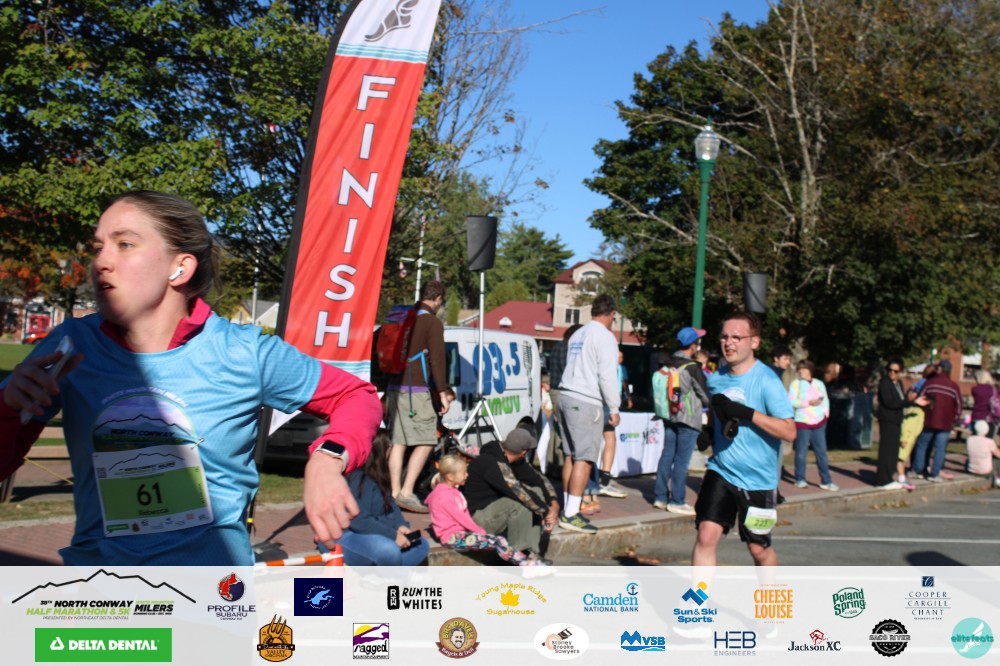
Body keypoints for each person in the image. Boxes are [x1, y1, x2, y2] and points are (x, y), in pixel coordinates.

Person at [0, 190, 382, 566]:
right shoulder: (72, 346)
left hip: (210, 591)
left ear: (180, 268)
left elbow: (356, 396)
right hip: (102, 588)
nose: (101, 262)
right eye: (98, 247)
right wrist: (7, 408)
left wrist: (328, 459)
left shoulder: (243, 352)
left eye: (125, 244)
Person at [692, 311, 796, 567]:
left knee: (758, 549)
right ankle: (698, 595)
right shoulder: (717, 379)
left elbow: (789, 431)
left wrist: (749, 414)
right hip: (722, 470)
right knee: (706, 535)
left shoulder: (768, 381)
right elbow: (717, 412)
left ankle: (770, 595)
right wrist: (709, 430)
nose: (729, 343)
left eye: (737, 337)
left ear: (754, 342)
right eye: (725, 337)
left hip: (758, 479)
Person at [556, 294, 622, 534]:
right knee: (584, 459)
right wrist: (613, 407)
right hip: (585, 400)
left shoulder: (578, 334)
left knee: (570, 456)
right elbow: (607, 376)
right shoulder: (605, 337)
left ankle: (568, 507)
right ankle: (571, 513)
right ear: (611, 314)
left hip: (565, 394)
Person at [387, 279, 454, 513]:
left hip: (394, 385)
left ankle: (393, 492)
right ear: (438, 299)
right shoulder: (432, 322)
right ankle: (406, 492)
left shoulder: (402, 317)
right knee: (426, 440)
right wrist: (442, 392)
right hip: (415, 389)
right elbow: (437, 360)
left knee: (398, 441)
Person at [425, 454, 552, 576]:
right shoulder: (444, 496)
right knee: (497, 541)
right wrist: (479, 531)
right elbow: (462, 519)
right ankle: (526, 565)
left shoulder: (452, 492)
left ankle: (526, 563)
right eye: (463, 473)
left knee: (497, 541)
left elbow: (464, 515)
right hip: (452, 538)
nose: (467, 475)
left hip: (461, 534)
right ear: (450, 477)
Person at [462, 428, 560, 560]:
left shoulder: (513, 459)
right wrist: (547, 511)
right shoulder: (492, 462)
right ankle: (520, 556)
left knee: (536, 491)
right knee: (520, 502)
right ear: (524, 452)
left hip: (494, 512)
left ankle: (531, 551)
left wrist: (553, 502)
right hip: (477, 519)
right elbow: (519, 493)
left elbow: (539, 479)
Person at [338, 429, 429, 566]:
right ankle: (391, 572)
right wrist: (393, 535)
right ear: (382, 449)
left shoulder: (380, 476)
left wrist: (400, 525)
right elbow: (358, 520)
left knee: (421, 544)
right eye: (390, 445)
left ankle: (384, 573)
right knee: (389, 551)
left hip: (377, 534)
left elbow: (391, 507)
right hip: (348, 534)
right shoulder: (358, 478)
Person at [653, 326, 710, 514]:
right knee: (682, 460)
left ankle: (660, 497)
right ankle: (677, 500)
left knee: (667, 455)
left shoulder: (667, 363)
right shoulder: (692, 367)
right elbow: (705, 395)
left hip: (669, 415)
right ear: (693, 346)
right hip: (688, 418)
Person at [875, 358, 928, 489]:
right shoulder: (885, 383)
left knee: (894, 450)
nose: (892, 373)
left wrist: (910, 401)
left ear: (900, 372)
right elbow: (890, 402)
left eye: (895, 371)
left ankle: (889, 477)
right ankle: (882, 480)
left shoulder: (898, 383)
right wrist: (911, 402)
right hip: (887, 420)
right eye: (890, 370)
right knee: (886, 450)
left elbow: (901, 399)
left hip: (897, 420)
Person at [788, 360, 837, 491]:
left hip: (819, 422)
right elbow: (791, 401)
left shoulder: (819, 383)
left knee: (821, 453)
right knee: (801, 452)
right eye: (800, 369)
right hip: (803, 422)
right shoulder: (796, 384)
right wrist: (808, 403)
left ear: (810, 370)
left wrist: (825, 414)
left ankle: (826, 481)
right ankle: (800, 479)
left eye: (804, 369)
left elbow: (825, 399)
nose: (801, 371)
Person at [912, 359, 963, 482]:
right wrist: (954, 419)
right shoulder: (954, 386)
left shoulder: (930, 383)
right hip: (945, 423)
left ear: (939, 369)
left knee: (922, 444)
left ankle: (918, 469)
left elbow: (920, 398)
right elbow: (959, 405)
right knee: (940, 448)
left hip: (929, 420)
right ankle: (935, 473)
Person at [544, 324, 581, 476]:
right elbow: (567, 369)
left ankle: (551, 463)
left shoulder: (557, 346)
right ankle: (560, 464)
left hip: (554, 389)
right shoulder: (567, 347)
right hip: (563, 391)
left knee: (556, 428)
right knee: (564, 429)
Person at [965, 421, 1000, 486]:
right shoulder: (989, 441)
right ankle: (998, 479)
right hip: (985, 472)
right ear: (987, 430)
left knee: (968, 459)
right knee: (998, 461)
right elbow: (998, 455)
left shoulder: (969, 440)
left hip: (971, 470)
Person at [970, 370, 998, 438]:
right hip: (989, 417)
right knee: (988, 440)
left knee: (976, 438)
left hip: (976, 416)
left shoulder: (974, 389)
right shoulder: (993, 389)